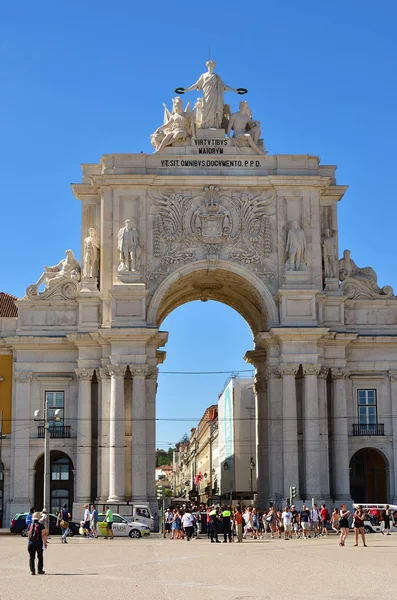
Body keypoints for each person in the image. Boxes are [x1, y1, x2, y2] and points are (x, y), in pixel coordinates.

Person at [181, 60, 243, 129]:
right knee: (205, 110)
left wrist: (235, 90)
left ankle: (215, 126)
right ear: (207, 67)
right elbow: (196, 85)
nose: (211, 67)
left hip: (215, 97)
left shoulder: (216, 77)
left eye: (212, 66)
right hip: (206, 96)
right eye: (209, 66)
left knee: (215, 110)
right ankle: (205, 125)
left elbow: (224, 86)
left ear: (214, 67)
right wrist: (187, 89)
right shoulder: (203, 75)